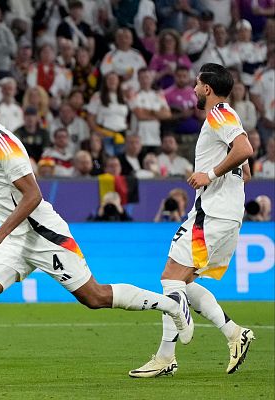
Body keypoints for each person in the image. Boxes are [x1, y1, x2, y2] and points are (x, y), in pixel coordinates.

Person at [0, 89, 192, 385]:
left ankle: (172, 305)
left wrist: (1, 232)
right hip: (17, 240)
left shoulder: (5, 145)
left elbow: (33, 195)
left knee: (95, 297)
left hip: (42, 235)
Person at [131, 63, 255, 378]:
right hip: (225, 213)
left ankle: (176, 335)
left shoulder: (219, 113)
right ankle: (231, 334)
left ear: (208, 89)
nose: (194, 90)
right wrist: (224, 178)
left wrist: (209, 174)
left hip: (212, 213)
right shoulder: (227, 117)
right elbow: (247, 170)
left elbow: (245, 148)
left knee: (171, 278)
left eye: (198, 84)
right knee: (183, 281)